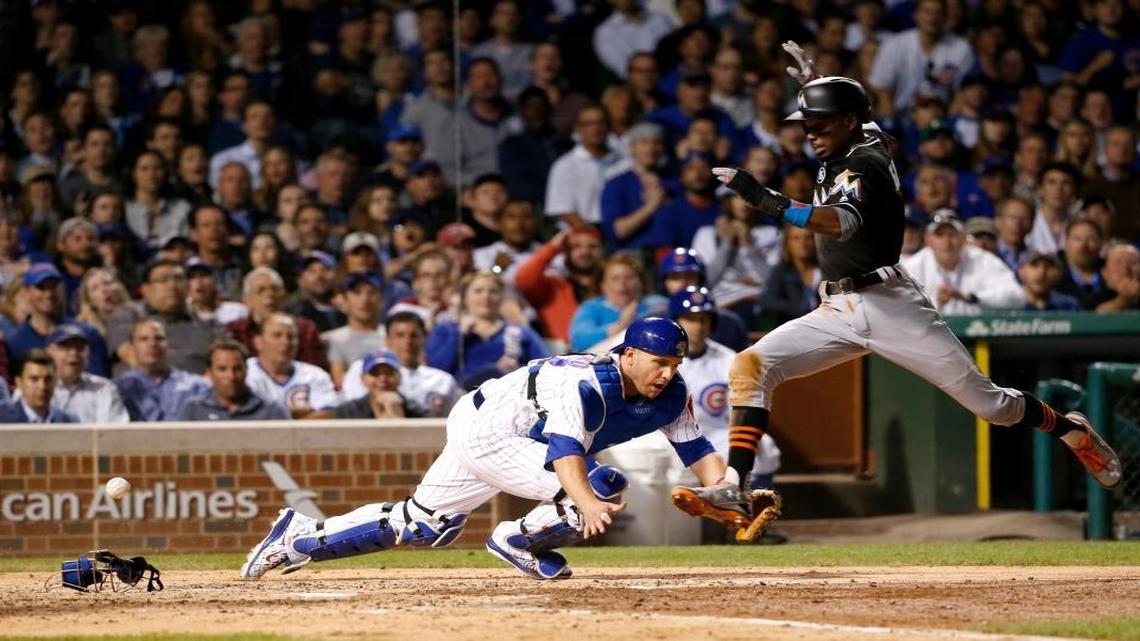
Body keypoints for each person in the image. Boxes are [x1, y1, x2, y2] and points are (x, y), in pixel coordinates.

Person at [676, 73, 1121, 544]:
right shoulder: (859, 139)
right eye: (806, 123)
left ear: (849, 121)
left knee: (991, 406)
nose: (810, 132)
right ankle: (735, 486)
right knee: (750, 366)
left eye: (820, 122)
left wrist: (765, 199)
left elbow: (839, 222)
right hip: (837, 306)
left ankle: (1070, 429)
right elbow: (868, 124)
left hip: (890, 304)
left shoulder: (864, 163)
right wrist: (814, 81)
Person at [241, 317, 731, 581]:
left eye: (674, 364)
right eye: (658, 362)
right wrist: (585, 502)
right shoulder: (586, 384)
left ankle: (298, 538)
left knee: (424, 525)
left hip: (501, 429)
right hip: (489, 430)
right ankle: (515, 539)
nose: (667, 373)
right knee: (596, 485)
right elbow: (565, 455)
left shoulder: (671, 395)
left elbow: (698, 451)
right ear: (629, 355)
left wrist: (730, 492)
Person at [669, 287, 781, 492]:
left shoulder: (729, 360)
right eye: (691, 319)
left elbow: (741, 408)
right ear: (677, 321)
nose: (698, 326)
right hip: (671, 437)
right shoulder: (662, 359)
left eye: (703, 319)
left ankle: (751, 508)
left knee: (765, 447)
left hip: (716, 434)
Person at [427, 270, 549, 389]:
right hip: (463, 395)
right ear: (464, 297)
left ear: (501, 297)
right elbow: (435, 371)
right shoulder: (445, 330)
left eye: (493, 291)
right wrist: (458, 336)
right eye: (478, 291)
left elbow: (545, 368)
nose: (486, 296)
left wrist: (518, 370)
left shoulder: (520, 332)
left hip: (510, 393)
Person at [105, 259, 227, 376]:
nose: (172, 286)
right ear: (145, 290)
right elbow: (132, 357)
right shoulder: (128, 314)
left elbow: (226, 364)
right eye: (163, 280)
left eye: (178, 279)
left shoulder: (209, 323)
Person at [340, 312, 462, 418]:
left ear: (424, 338)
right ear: (387, 340)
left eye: (414, 335)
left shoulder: (443, 380)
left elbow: (454, 421)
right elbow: (354, 411)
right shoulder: (362, 368)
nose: (407, 342)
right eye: (400, 335)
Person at [901, 211, 1024, 315]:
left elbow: (1016, 296)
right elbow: (901, 308)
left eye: (952, 235)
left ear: (963, 238)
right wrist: (935, 303)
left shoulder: (983, 260)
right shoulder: (913, 267)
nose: (947, 242)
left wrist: (971, 297)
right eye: (940, 235)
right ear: (928, 240)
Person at [515, 228, 604, 348]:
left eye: (592, 246)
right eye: (576, 246)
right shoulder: (552, 287)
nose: (585, 252)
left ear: (602, 250)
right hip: (562, 355)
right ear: (566, 251)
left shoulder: (615, 288)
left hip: (607, 351)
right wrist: (553, 246)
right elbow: (524, 279)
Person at [115, 318, 211, 422]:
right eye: (143, 339)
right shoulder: (119, 388)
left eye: (159, 338)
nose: (152, 344)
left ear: (168, 344)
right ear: (132, 346)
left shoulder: (196, 385)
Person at [244, 313, 338, 419]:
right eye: (277, 335)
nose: (285, 342)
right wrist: (295, 413)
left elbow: (328, 415)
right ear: (258, 342)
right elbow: (248, 416)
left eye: (291, 336)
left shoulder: (315, 375)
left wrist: (276, 418)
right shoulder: (245, 372)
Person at [569, 254, 668, 352]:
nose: (623, 283)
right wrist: (621, 324)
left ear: (640, 282)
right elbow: (579, 340)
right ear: (602, 285)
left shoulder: (656, 305)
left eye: (629, 277)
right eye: (615, 279)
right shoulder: (591, 307)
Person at [178, 339, 289, 421]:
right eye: (222, 369)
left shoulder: (271, 410)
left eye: (237, 369)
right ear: (210, 372)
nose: (231, 376)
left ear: (246, 370)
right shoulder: (193, 409)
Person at [40, 323, 129, 423]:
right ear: (48, 352)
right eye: (65, 348)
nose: (74, 353)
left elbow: (116, 428)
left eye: (80, 348)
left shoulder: (103, 388)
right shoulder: (36, 387)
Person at [323, 272, 387, 387]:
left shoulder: (394, 335)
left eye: (372, 292)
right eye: (357, 293)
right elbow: (339, 380)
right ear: (345, 300)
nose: (365, 299)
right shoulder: (332, 339)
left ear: (381, 299)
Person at [334, 350, 428, 419]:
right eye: (375, 373)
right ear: (363, 379)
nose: (383, 379)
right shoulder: (347, 412)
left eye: (389, 373)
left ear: (399, 378)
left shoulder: (419, 412)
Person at [0, 349, 77, 424]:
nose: (42, 386)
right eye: (34, 379)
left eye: (48, 379)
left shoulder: (70, 422)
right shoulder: (2, 418)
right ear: (19, 382)